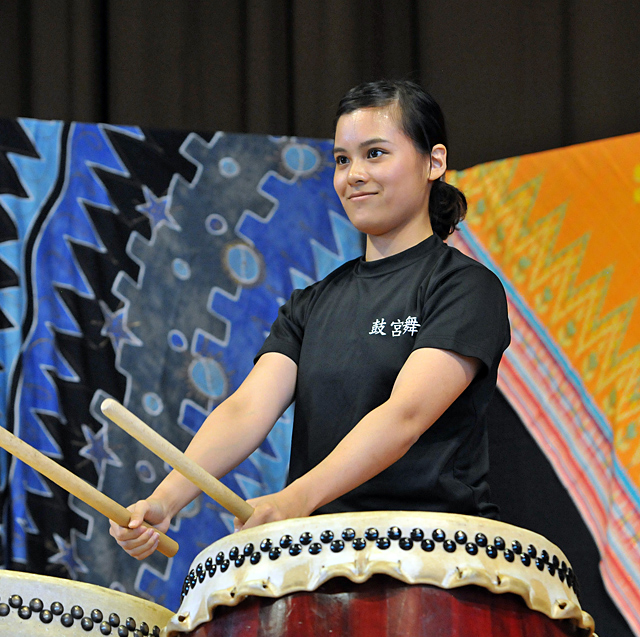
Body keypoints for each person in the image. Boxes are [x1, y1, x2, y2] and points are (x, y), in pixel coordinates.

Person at [110, 80, 511, 560]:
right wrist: (164, 500)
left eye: (375, 154)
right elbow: (247, 410)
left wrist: (295, 499)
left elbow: (405, 415)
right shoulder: (313, 303)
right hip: (321, 558)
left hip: (434, 556)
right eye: (342, 160)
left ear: (434, 162)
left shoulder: (464, 287)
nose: (353, 175)